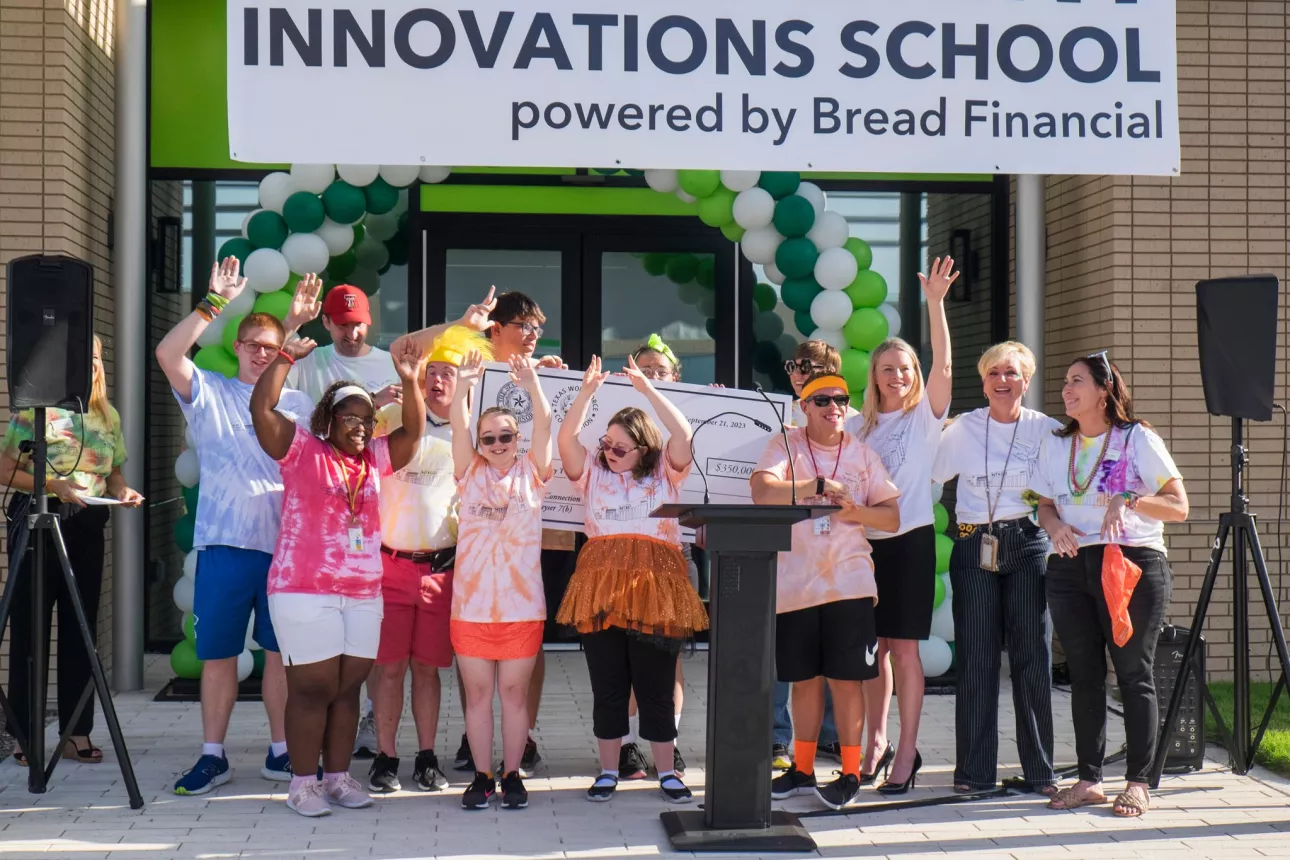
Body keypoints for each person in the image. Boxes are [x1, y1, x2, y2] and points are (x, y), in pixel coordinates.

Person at [156, 259, 319, 795]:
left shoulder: (296, 405)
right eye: (250, 342)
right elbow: (166, 354)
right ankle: (212, 756)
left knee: (281, 655)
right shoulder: (210, 392)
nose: (258, 351)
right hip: (224, 546)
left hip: (283, 550)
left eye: (269, 347)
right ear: (237, 344)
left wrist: (291, 331)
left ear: (281, 355)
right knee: (219, 655)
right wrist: (213, 302)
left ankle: (280, 752)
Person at [249, 334, 426, 817]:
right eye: (351, 418)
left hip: (363, 591)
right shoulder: (302, 448)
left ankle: (337, 778)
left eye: (368, 421)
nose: (362, 428)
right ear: (329, 420)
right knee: (312, 687)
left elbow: (412, 433)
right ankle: (302, 785)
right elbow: (262, 410)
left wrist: (410, 382)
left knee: (348, 688)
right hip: (303, 589)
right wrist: (286, 356)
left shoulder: (374, 458)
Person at [1034, 353, 1188, 818]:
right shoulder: (1057, 443)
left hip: (1130, 564)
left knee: (1132, 673)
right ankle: (1089, 780)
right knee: (1083, 676)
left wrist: (1129, 499)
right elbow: (1043, 505)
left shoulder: (1137, 437)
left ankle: (1139, 782)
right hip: (1069, 565)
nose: (1066, 389)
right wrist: (1054, 526)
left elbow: (1178, 506)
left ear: (1104, 390)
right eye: (1065, 381)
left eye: (1077, 381)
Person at [555, 355, 708, 803]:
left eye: (621, 447)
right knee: (608, 683)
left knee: (657, 683)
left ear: (644, 449)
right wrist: (586, 393)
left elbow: (683, 434)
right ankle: (608, 769)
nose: (609, 453)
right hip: (601, 588)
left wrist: (648, 390)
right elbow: (566, 438)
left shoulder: (666, 472)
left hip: (655, 591)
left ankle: (667, 772)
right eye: (607, 444)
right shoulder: (592, 474)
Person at [752, 373, 901, 810]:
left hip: (849, 582)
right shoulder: (785, 445)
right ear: (804, 406)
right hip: (794, 585)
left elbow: (890, 518)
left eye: (841, 399)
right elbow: (761, 491)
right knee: (803, 679)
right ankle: (801, 768)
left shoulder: (862, 454)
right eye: (822, 400)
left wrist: (854, 510)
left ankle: (852, 773)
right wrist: (815, 487)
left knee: (846, 679)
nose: (833, 406)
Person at [1, 335, 143, 767]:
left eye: (97, 358)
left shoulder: (107, 415)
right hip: (36, 520)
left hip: (86, 524)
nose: (93, 366)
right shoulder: (34, 411)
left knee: (81, 628)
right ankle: (25, 734)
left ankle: (75, 731)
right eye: (85, 358)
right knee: (30, 626)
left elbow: (114, 473)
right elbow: (5, 468)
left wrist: (123, 491)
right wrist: (52, 485)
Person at [366, 326, 492, 795]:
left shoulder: (475, 427)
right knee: (389, 667)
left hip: (442, 568)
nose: (438, 380)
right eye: (431, 372)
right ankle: (384, 756)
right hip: (389, 564)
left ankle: (425, 757)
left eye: (448, 373)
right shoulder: (391, 416)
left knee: (427, 668)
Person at [846, 257, 955, 793]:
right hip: (863, 548)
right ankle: (875, 742)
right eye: (887, 368)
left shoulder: (925, 416)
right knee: (874, 651)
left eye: (905, 367)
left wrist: (935, 304)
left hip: (909, 543)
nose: (897, 376)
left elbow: (944, 369)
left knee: (905, 650)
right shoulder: (856, 426)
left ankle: (907, 752)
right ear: (874, 377)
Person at [931, 341, 1059, 796]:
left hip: (1027, 543)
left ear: (1027, 380)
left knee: (1032, 658)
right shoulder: (962, 428)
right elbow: (924, 472)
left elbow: (1069, 485)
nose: (1002, 381)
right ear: (983, 383)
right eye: (993, 374)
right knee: (978, 660)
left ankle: (1041, 771)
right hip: (973, 543)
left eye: (1011, 373)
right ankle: (975, 773)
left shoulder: (1049, 431)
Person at [447, 289, 565, 776]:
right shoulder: (468, 469)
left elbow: (545, 425)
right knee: (478, 697)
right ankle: (480, 773)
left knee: (513, 695)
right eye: (489, 437)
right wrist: (463, 385)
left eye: (506, 437)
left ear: (518, 440)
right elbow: (457, 423)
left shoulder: (532, 471)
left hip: (520, 605)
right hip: (471, 606)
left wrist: (535, 382)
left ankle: (513, 771)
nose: (497, 443)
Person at [286, 284, 400, 760]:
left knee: (364, 655)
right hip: (315, 534)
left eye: (358, 323)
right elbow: (287, 416)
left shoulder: (391, 363)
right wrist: (291, 325)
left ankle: (368, 727)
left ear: (368, 322)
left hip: (380, 513)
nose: (351, 332)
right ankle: (299, 766)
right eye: (341, 323)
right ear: (326, 324)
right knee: (313, 670)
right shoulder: (310, 362)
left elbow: (404, 431)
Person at [617, 336, 697, 781]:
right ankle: (627, 746)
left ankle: (669, 740)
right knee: (625, 656)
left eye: (659, 370)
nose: (650, 375)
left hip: (673, 549)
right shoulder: (615, 420)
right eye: (643, 368)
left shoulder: (685, 412)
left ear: (675, 377)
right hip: (619, 550)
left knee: (670, 657)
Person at [771, 339, 851, 770]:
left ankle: (832, 736)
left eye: (812, 366)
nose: (800, 371)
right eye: (794, 365)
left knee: (836, 645)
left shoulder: (848, 416)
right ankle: (778, 738)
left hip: (839, 549)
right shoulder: (771, 412)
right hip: (788, 545)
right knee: (788, 647)